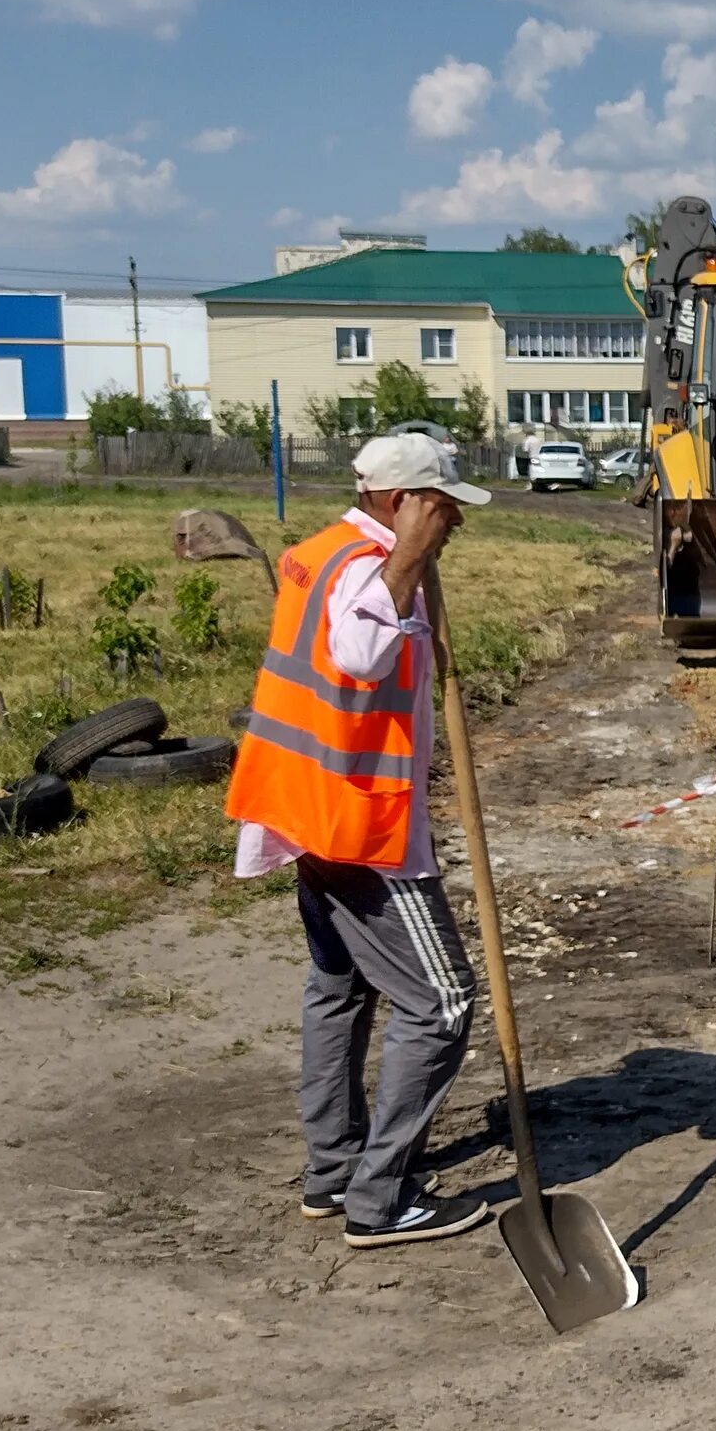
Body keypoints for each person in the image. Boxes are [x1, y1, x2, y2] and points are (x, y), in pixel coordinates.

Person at [223, 432, 495, 1246]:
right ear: (400, 502)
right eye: (443, 509)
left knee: (340, 986)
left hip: (306, 805)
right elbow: (361, 653)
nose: (454, 525)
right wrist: (409, 559)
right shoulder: (365, 570)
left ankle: (334, 1171)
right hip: (358, 824)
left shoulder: (322, 549)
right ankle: (379, 1200)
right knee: (442, 1001)